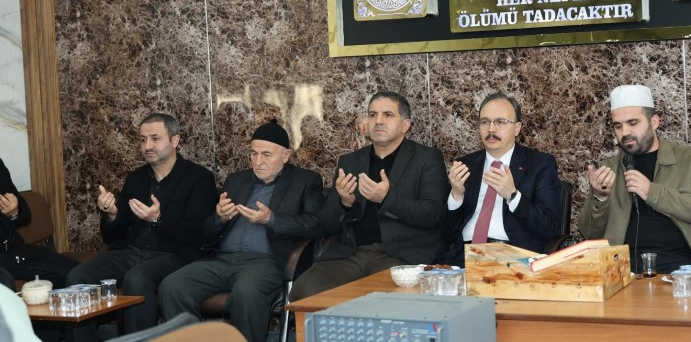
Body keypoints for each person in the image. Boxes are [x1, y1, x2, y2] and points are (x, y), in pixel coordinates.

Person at [159, 122, 323, 342]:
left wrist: (271, 219)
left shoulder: (305, 181)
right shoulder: (236, 180)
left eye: (266, 155)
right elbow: (207, 231)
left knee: (246, 291)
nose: (258, 161)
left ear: (285, 156)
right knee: (172, 286)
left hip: (266, 262)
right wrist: (219, 217)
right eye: (253, 154)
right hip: (222, 260)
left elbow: (315, 224)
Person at [66, 113, 218, 339]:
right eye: (142, 139)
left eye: (155, 138)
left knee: (137, 279)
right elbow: (114, 236)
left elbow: (199, 234)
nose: (147, 146)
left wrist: (158, 219)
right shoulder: (136, 178)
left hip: (174, 254)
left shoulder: (199, 178)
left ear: (175, 141)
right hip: (132, 251)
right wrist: (112, 215)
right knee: (78, 276)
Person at [289, 91, 449, 300]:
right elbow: (327, 224)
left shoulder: (427, 159)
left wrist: (386, 199)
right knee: (306, 290)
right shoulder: (350, 162)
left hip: (401, 255)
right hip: (352, 254)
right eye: (373, 115)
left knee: (387, 298)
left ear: (405, 125)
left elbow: (433, 214)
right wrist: (344, 203)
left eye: (388, 115)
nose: (378, 121)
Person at [578, 85, 691, 275]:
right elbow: (589, 233)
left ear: (654, 122)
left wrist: (652, 193)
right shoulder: (608, 169)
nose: (625, 132)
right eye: (618, 126)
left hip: (681, 267)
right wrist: (599, 197)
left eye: (633, 123)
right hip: (622, 269)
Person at [442, 93, 562, 266]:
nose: (491, 129)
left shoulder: (540, 164)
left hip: (513, 260)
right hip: (464, 259)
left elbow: (550, 228)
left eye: (500, 122)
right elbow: (447, 234)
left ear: (517, 128)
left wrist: (513, 196)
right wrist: (456, 196)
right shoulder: (465, 165)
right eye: (485, 122)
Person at [0, 158, 78, 290]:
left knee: (77, 272)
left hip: (13, 250)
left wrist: (13, 212)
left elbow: (25, 214)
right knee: (6, 285)